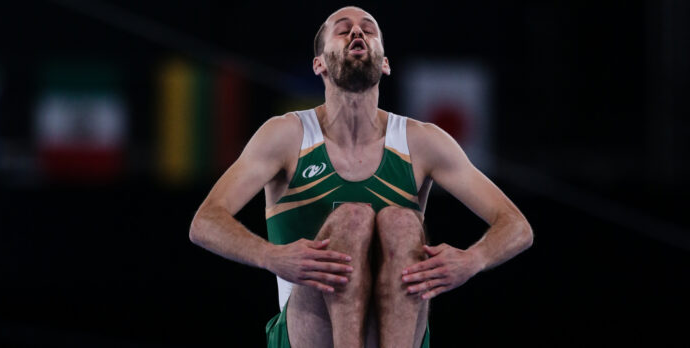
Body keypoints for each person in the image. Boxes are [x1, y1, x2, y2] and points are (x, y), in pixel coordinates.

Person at [189, 6, 533, 348]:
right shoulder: (286, 136)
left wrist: (472, 260)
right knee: (352, 218)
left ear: (385, 63)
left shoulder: (423, 142)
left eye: (369, 29)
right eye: (343, 29)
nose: (357, 32)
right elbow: (205, 221)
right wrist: (269, 256)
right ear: (319, 63)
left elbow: (516, 226)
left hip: (393, 330)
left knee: (401, 222)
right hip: (309, 330)